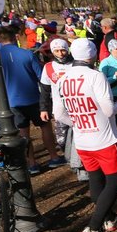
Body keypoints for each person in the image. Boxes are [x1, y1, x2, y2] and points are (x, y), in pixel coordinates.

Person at [52, 39, 117, 232]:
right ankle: (94, 228)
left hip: (83, 140)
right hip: (104, 138)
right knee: (116, 180)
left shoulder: (62, 79)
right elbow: (108, 110)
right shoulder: (96, 76)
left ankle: (109, 218)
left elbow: (58, 114)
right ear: (93, 55)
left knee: (96, 179)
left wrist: (78, 123)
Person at [0, 26, 65, 174]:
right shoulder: (27, 54)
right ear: (15, 37)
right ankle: (54, 156)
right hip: (34, 98)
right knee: (45, 127)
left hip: (12, 101)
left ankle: (32, 163)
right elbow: (41, 76)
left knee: (23, 133)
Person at [40, 38, 87, 181]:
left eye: (63, 50)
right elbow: (45, 91)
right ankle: (71, 159)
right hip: (59, 110)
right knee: (62, 140)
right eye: (57, 51)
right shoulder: (48, 67)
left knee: (80, 138)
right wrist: (43, 109)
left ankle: (81, 166)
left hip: (77, 108)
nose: (60, 54)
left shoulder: (76, 64)